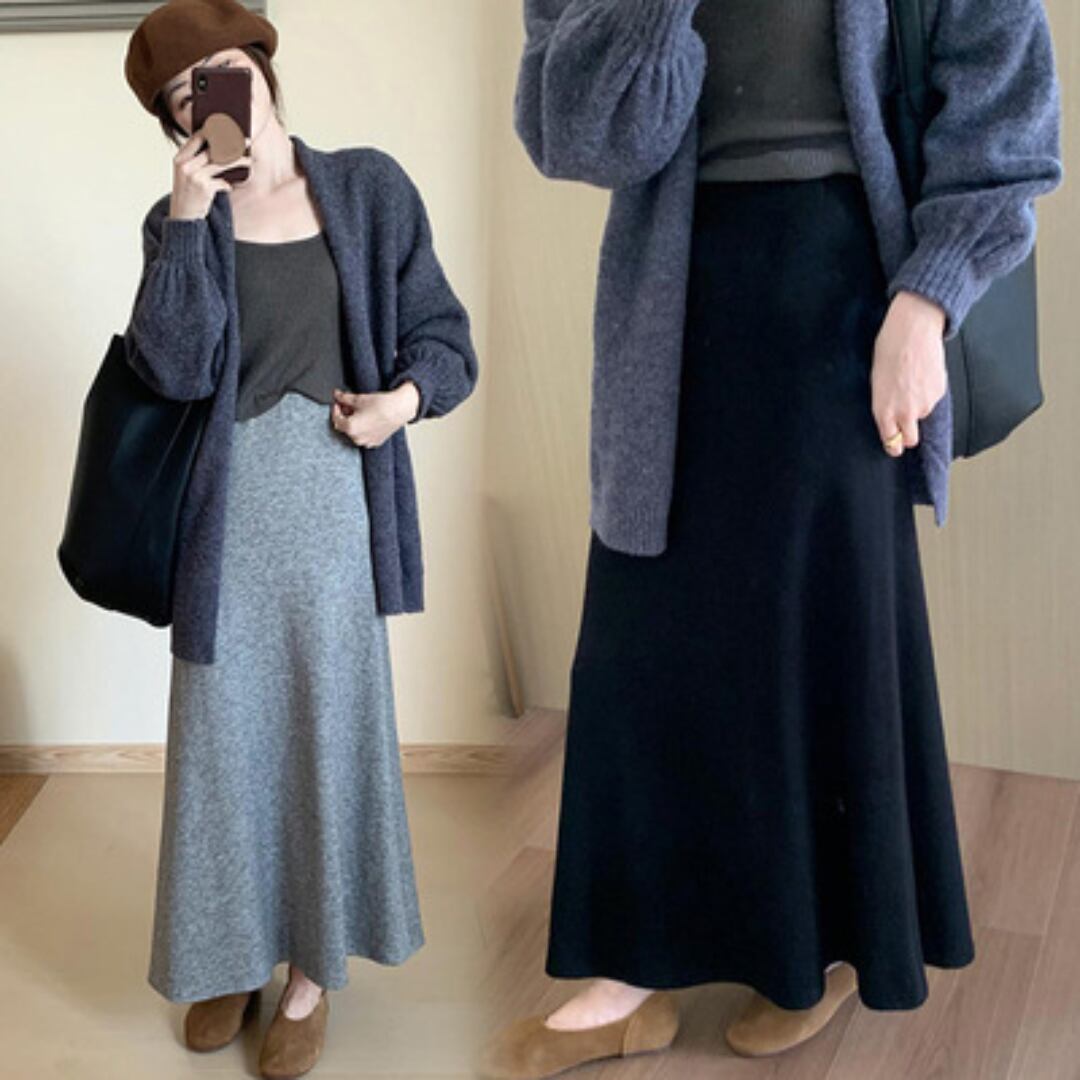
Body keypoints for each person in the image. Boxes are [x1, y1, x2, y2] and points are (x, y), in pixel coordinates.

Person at [478, 0, 1062, 1076]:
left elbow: (1004, 111)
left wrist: (928, 303)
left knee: (813, 630)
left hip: (854, 296)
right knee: (643, 641)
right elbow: (580, 137)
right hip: (671, 296)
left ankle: (817, 949)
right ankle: (631, 968)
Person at [121, 1, 478, 1076]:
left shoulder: (368, 188)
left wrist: (398, 406)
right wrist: (190, 223)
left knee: (323, 734)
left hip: (332, 508)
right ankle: (228, 955)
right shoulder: (176, 219)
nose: (214, 98)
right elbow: (171, 370)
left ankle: (313, 974)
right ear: (174, 120)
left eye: (225, 69)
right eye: (187, 93)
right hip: (221, 518)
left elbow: (444, 339)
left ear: (263, 69)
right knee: (221, 744)